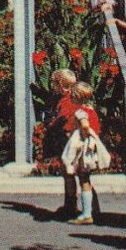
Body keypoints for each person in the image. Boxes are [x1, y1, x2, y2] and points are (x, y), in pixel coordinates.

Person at [61, 81, 110, 225]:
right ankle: (90, 211)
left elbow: (85, 125)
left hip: (82, 149)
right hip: (89, 147)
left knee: (83, 179)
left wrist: (84, 133)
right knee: (85, 179)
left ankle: (87, 213)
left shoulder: (80, 112)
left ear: (76, 97)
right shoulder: (91, 109)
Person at [43, 68, 81, 218]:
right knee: (71, 174)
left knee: (69, 173)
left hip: (68, 139)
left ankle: (71, 205)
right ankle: (72, 204)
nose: (52, 86)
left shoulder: (67, 101)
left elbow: (65, 120)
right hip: (71, 138)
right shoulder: (72, 98)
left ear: (60, 84)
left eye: (53, 83)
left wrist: (54, 126)